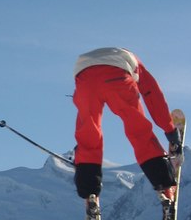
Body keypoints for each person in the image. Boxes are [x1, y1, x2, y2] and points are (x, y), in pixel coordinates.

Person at [72, 47, 182, 200]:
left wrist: (82, 165)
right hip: (118, 75)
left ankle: (89, 190)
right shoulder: (135, 62)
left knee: (88, 134)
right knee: (138, 130)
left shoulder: (92, 60)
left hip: (84, 77)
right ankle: (164, 186)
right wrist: (169, 129)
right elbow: (153, 97)